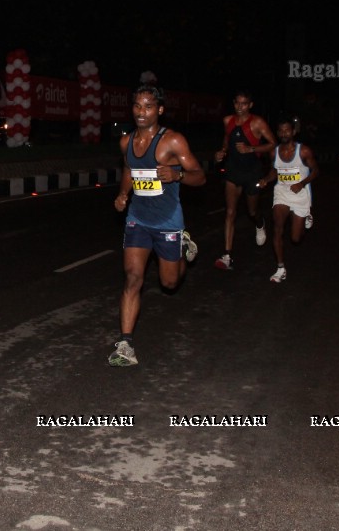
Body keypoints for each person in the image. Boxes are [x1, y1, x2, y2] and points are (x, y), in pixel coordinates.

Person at [109, 84, 205, 367]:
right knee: (132, 278)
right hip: (138, 218)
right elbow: (129, 170)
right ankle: (126, 344)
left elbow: (200, 176)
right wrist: (124, 194)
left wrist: (177, 175)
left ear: (159, 110)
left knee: (170, 283)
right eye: (138, 106)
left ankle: (182, 246)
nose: (142, 111)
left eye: (148, 106)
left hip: (167, 220)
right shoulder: (126, 142)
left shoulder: (173, 142)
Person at [212, 90, 275, 270]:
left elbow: (272, 143)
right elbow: (226, 139)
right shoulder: (227, 121)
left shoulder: (258, 122)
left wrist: (251, 148)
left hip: (252, 172)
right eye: (237, 103)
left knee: (251, 211)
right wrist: (222, 151)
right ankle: (227, 255)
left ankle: (259, 222)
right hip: (233, 170)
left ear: (250, 105)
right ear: (234, 103)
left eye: (244, 104)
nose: (240, 107)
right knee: (230, 212)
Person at [261, 116, 318, 283]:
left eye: (287, 130)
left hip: (300, 194)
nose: (284, 133)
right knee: (277, 228)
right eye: (281, 130)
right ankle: (280, 268)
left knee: (295, 238)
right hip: (282, 192)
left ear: (293, 131)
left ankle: (306, 214)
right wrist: (266, 179)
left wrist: (302, 183)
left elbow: (316, 171)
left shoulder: (304, 151)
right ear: (278, 133)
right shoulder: (274, 152)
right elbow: (274, 172)